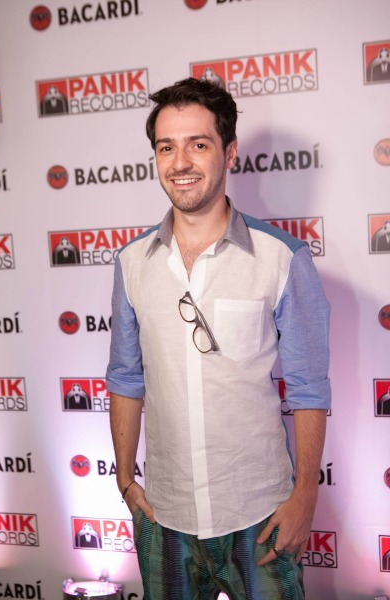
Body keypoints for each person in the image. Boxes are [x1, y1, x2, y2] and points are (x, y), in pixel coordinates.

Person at [106, 77, 331, 599]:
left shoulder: (283, 258)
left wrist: (305, 496)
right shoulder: (131, 263)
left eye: (198, 145)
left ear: (229, 152)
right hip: (164, 515)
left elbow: (308, 388)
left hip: (261, 515)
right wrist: (125, 480)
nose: (180, 162)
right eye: (167, 147)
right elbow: (125, 376)